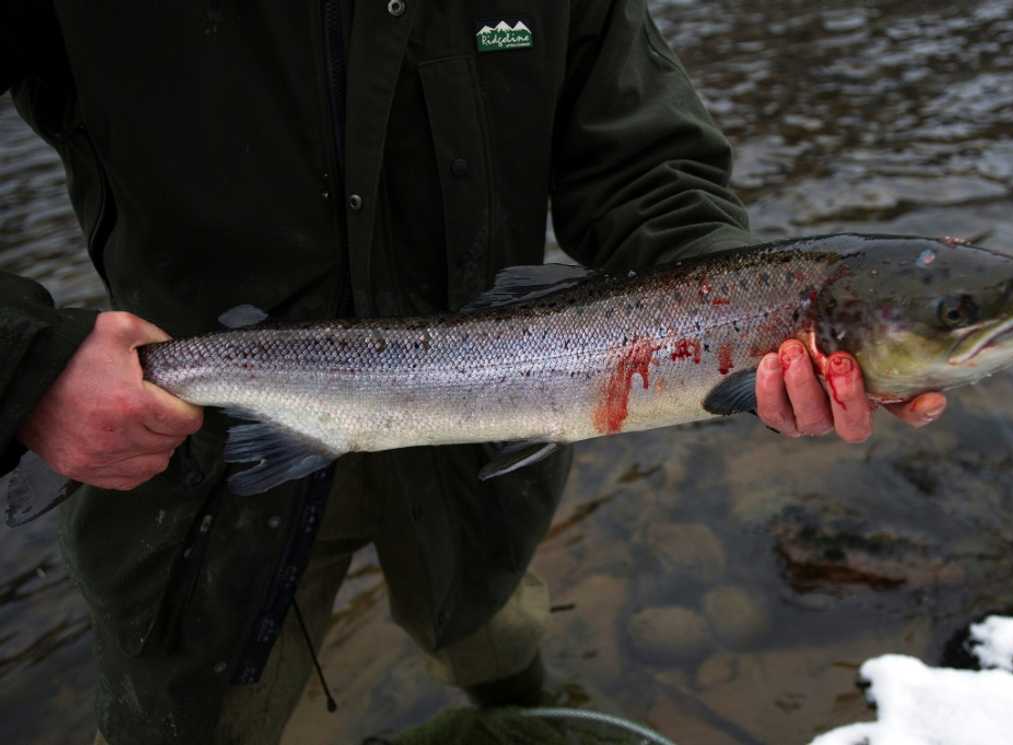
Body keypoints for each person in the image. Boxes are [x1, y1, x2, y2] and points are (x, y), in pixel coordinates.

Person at [0, 1, 947, 743]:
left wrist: (744, 313)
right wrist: (30, 365)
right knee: (182, 717)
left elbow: (644, 166)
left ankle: (515, 698)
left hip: (492, 451)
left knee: (491, 619)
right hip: (189, 474)